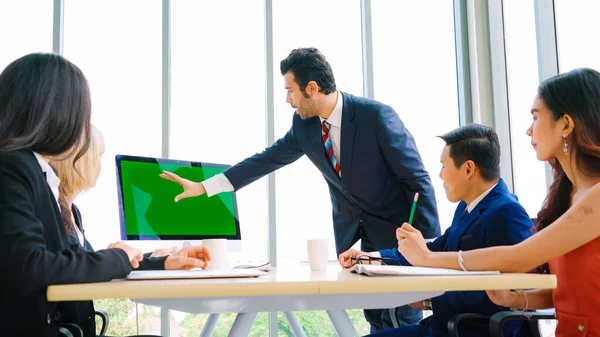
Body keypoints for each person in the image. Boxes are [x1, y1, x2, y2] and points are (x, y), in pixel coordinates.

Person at [160, 47, 441, 331]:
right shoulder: (305, 127)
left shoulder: (376, 116)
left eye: (290, 90)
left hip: (398, 237)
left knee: (399, 320)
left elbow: (417, 180)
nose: (288, 100)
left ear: (312, 87)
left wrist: (429, 247)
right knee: (376, 317)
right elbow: (265, 160)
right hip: (357, 240)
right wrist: (204, 186)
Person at [0, 53, 210, 337]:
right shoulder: (13, 166)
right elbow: (30, 266)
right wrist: (117, 258)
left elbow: (66, 260)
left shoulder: (35, 171)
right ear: (55, 112)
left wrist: (156, 262)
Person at [395, 68, 600, 337]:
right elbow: (566, 291)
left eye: (535, 117)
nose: (528, 130)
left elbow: (519, 257)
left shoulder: (595, 197)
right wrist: (516, 300)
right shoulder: (569, 197)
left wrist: (428, 258)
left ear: (565, 124)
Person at [339, 124, 534, 337]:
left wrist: (429, 300)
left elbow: (514, 294)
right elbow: (432, 251)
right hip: (443, 327)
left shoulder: (507, 212)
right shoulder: (468, 207)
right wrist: (370, 258)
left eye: (444, 165)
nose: (440, 175)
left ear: (468, 169)